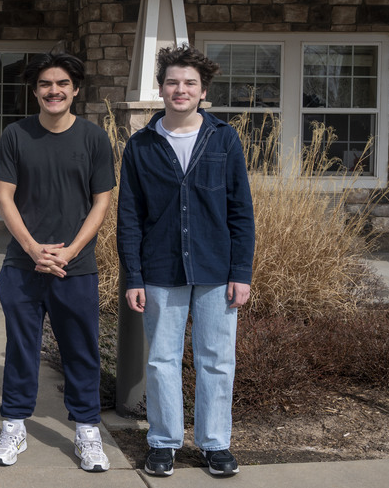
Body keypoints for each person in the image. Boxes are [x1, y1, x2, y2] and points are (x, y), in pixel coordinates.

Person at [117, 44, 255, 478]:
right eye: (173, 82)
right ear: (161, 89)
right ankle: (163, 442)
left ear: (202, 91)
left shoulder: (223, 138)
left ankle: (215, 444)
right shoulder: (140, 145)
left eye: (189, 83)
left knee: (216, 358)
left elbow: (240, 210)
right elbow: (129, 217)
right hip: (160, 269)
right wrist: (133, 276)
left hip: (217, 268)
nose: (181, 89)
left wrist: (242, 272)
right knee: (161, 359)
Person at [0, 52, 116, 472]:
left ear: (76, 89)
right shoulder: (16, 135)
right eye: (46, 84)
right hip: (23, 267)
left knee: (81, 352)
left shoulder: (94, 139)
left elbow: (101, 203)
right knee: (21, 350)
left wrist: (71, 250)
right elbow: (4, 197)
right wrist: (31, 248)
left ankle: (87, 432)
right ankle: (13, 426)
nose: (54, 91)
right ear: (35, 90)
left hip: (75, 268)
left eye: (62, 84)